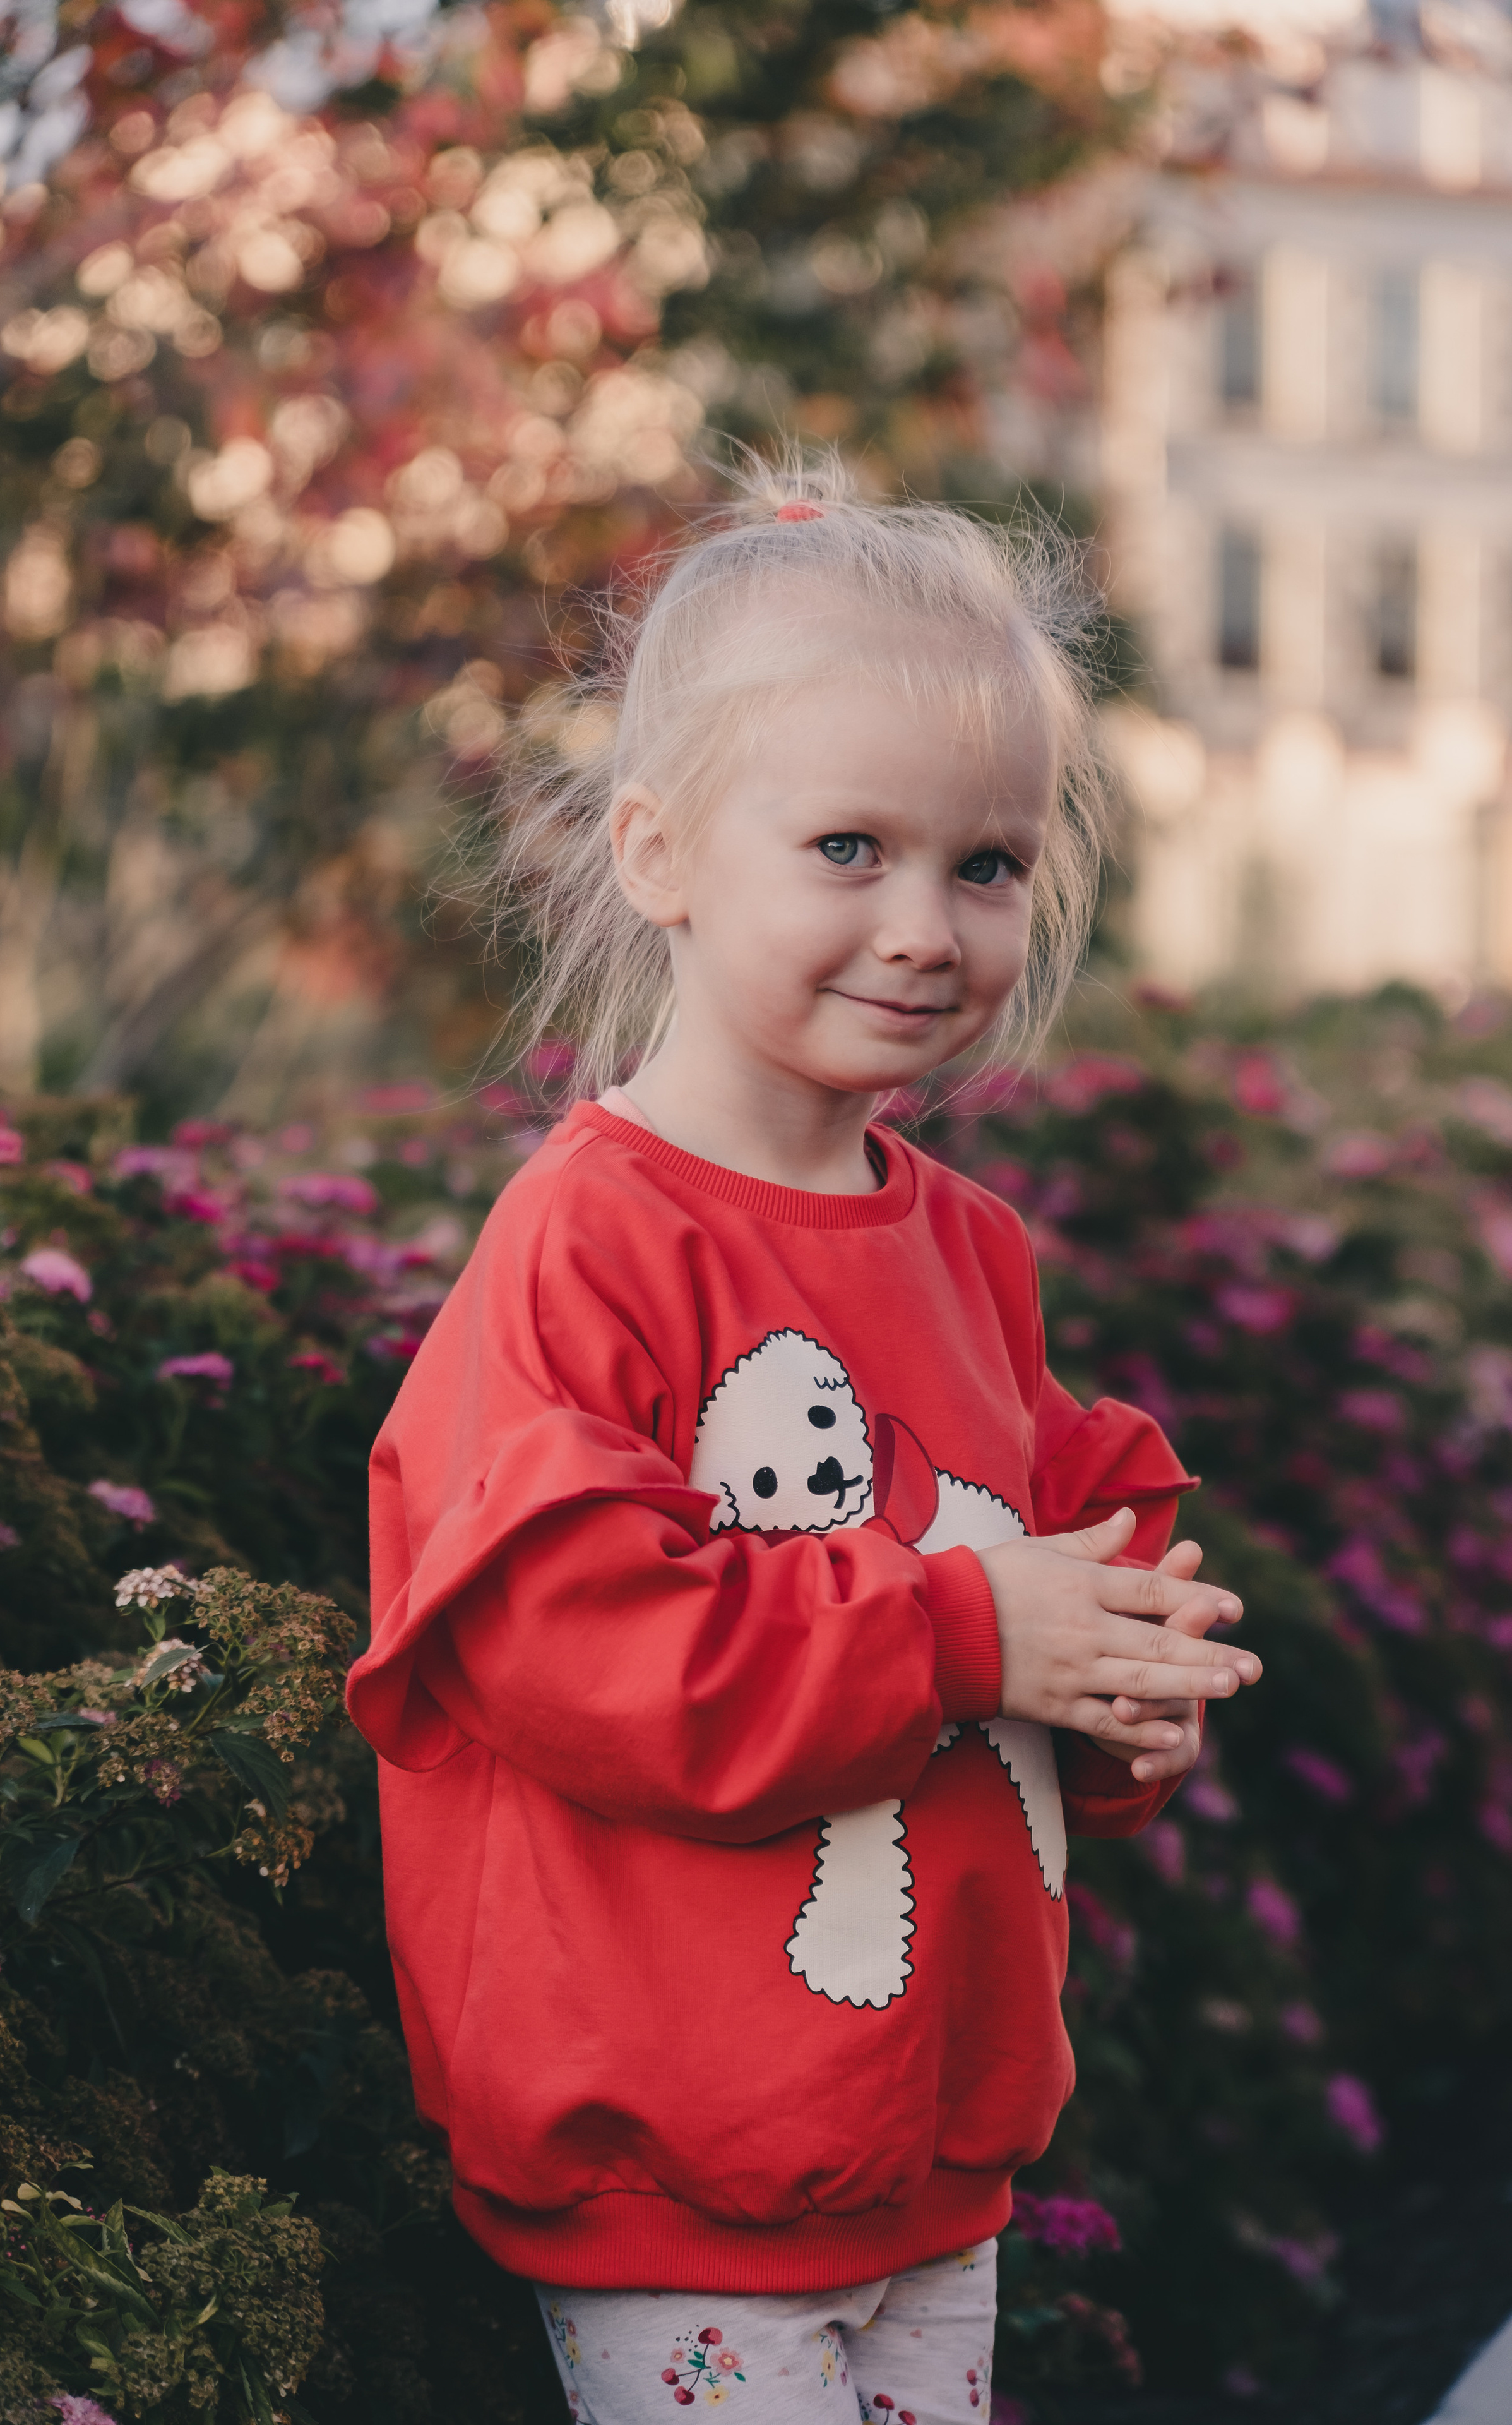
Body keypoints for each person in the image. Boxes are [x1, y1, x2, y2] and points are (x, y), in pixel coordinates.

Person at [346, 467, 1262, 2424]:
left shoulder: (964, 1248)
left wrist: (1111, 1700)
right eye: (849, 847)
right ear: (662, 856)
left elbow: (1010, 1589)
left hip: (928, 2149)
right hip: (692, 2164)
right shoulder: (594, 1240)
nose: (925, 928)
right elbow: (582, 1650)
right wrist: (959, 1633)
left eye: (987, 865)